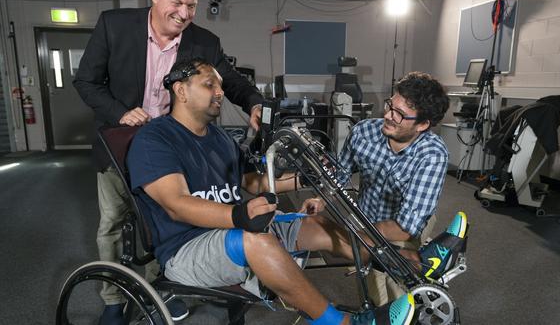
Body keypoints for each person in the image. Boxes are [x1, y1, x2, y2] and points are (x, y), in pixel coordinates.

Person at [126, 58, 418, 325]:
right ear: (181, 90)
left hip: (231, 231)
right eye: (209, 84)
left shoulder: (219, 137)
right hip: (186, 248)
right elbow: (176, 204)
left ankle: (402, 263)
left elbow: (252, 182)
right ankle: (343, 323)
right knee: (256, 239)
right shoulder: (155, 138)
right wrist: (239, 214)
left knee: (313, 225)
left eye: (221, 86)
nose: (219, 92)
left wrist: (302, 179)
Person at [73, 0, 263, 323]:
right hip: (122, 142)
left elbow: (232, 81)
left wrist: (255, 103)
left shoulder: (204, 42)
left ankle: (163, 286)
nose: (184, 13)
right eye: (177, 3)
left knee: (169, 217)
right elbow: (86, 82)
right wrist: (120, 112)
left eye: (191, 5)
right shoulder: (114, 26)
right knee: (115, 222)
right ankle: (114, 298)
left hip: (174, 148)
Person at [336, 71, 451, 305]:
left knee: (398, 290)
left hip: (406, 224)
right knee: (370, 290)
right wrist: (320, 196)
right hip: (366, 214)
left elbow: (406, 226)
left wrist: (360, 236)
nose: (387, 115)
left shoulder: (432, 154)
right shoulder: (363, 132)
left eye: (400, 114)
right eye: (390, 105)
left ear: (423, 124)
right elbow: (338, 174)